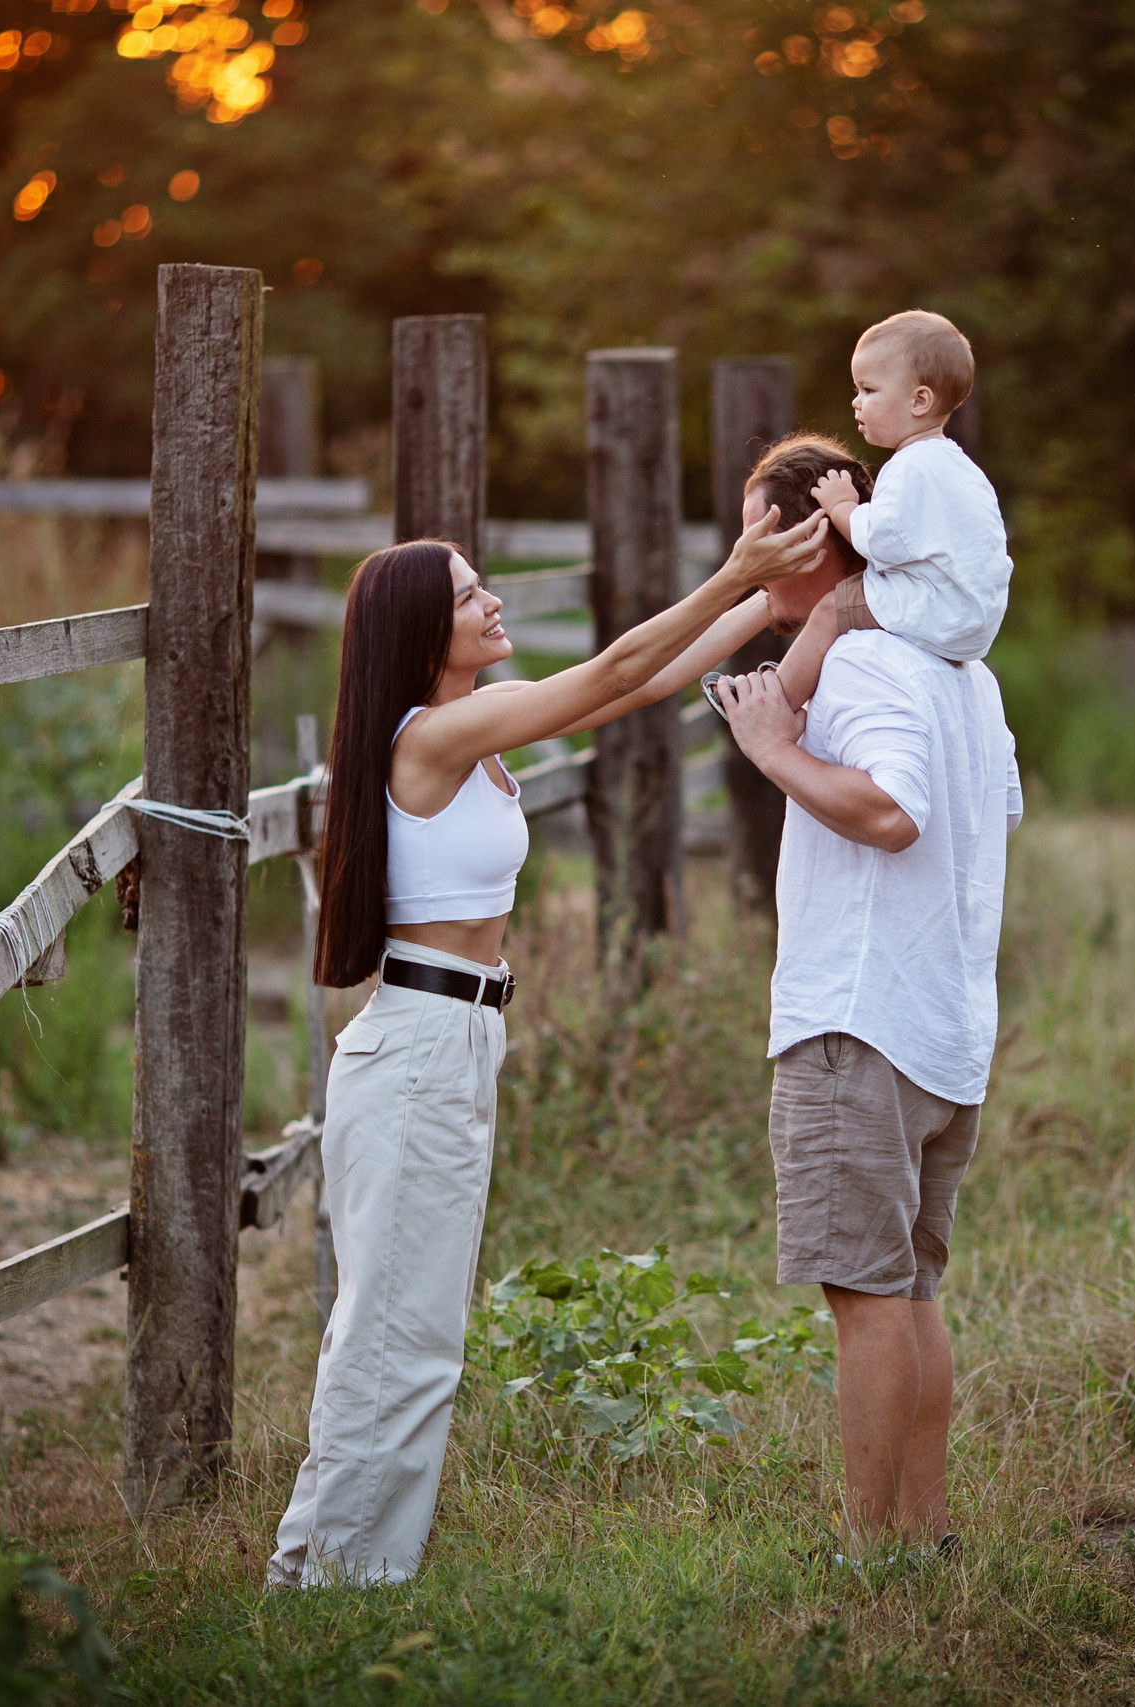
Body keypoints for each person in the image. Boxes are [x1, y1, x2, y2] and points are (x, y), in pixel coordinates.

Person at [268, 506, 829, 1588]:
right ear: (424, 629)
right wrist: (731, 573)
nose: (494, 602)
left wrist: (779, 595)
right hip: (423, 1045)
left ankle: (315, 1569)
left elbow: (637, 686)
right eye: (472, 593)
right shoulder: (427, 738)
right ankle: (343, 1584)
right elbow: (615, 661)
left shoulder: (472, 727)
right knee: (401, 1337)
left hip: (457, 1039)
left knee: (397, 1326)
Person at [713, 430, 1023, 1560]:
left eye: (760, 527)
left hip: (859, 1021)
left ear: (809, 532)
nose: (747, 550)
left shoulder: (866, 661)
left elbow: (892, 811)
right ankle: (923, 1536)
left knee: (865, 1299)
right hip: (941, 1026)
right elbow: (990, 814)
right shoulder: (965, 672)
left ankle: (866, 1552)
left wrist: (771, 751)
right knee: (909, 1290)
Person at [766, 310, 1013, 713]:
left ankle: (777, 704)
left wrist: (843, 505)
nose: (856, 401)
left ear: (919, 401)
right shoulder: (959, 466)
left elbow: (879, 541)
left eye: (868, 390)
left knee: (833, 608)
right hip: (972, 618)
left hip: (940, 610)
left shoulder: (910, 465)